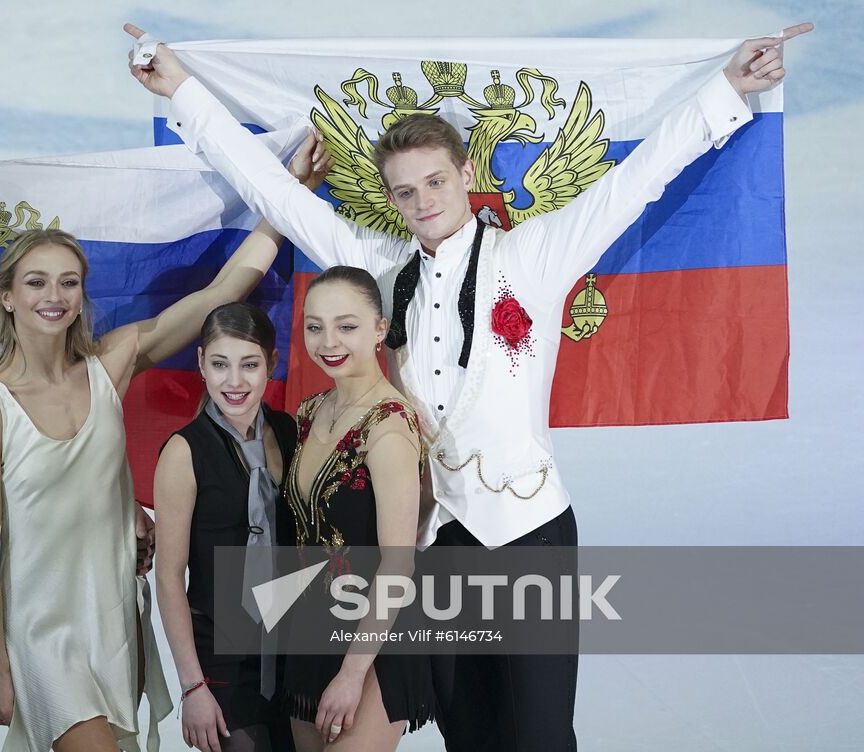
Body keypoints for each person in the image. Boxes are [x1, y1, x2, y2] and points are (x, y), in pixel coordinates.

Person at [124, 21, 812, 751]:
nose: (423, 201)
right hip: (444, 539)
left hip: (533, 534)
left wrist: (728, 89)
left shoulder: (535, 255)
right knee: (471, 735)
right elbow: (281, 198)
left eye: (435, 183)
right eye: (405, 192)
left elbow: (633, 186)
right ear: (389, 199)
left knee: (541, 735)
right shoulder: (381, 269)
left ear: (461, 174)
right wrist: (185, 94)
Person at [0, 200, 317, 752]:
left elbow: (217, 298)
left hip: (115, 613)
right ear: (6, 296)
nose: (54, 297)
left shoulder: (109, 364)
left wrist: (280, 198)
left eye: (68, 282)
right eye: (36, 282)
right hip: (41, 631)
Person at [287, 266, 432, 750]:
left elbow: (399, 561)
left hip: (375, 641)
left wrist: (352, 672)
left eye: (346, 326)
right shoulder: (308, 412)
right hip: (310, 628)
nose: (328, 340)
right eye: (315, 326)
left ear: (379, 330)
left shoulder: (389, 425)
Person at [153, 302, 299, 752]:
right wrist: (193, 687)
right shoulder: (184, 451)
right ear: (201, 363)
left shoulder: (290, 431)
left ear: (272, 364)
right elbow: (169, 576)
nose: (234, 382)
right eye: (220, 364)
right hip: (223, 658)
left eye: (249, 365)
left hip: (294, 648)